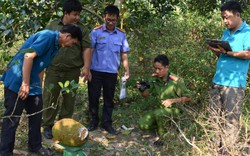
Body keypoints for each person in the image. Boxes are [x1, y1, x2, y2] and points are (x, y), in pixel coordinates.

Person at [0, 24, 82, 156]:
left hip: (33, 83)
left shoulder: (57, 46)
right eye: (73, 42)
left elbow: (40, 65)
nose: (72, 45)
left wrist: (38, 85)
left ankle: (35, 146)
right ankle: (5, 152)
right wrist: (25, 83)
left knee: (37, 116)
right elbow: (28, 57)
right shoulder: (47, 36)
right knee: (12, 119)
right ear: (67, 36)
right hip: (18, 80)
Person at [42, 0, 92, 139]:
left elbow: (87, 48)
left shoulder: (82, 29)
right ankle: (48, 125)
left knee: (69, 99)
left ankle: (63, 125)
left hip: (72, 71)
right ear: (65, 13)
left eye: (79, 15)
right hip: (53, 70)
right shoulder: (52, 26)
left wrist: (86, 67)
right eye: (74, 15)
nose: (77, 18)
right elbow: (44, 45)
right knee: (50, 96)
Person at [208, 1, 250, 153]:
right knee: (214, 117)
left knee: (231, 120)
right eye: (223, 18)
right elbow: (223, 54)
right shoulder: (226, 32)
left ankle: (227, 151)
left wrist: (228, 53)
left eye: (227, 17)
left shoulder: (248, 32)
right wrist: (216, 49)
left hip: (233, 85)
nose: (225, 21)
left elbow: (248, 54)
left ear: (238, 15)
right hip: (217, 80)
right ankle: (214, 148)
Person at [87, 5, 130, 135]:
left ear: (117, 19)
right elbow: (90, 50)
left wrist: (126, 69)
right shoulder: (96, 32)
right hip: (95, 71)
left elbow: (124, 53)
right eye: (108, 19)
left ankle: (107, 123)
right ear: (104, 17)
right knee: (93, 97)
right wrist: (86, 68)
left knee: (108, 99)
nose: (110, 22)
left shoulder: (121, 35)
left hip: (111, 72)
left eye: (113, 20)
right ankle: (93, 121)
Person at [137, 54, 192, 146]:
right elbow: (145, 95)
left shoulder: (176, 80)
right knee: (142, 124)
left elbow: (189, 97)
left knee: (159, 113)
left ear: (166, 67)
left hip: (176, 110)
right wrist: (141, 89)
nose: (157, 71)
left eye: (160, 69)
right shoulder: (154, 79)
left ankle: (164, 137)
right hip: (161, 109)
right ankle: (167, 125)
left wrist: (172, 100)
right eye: (155, 69)